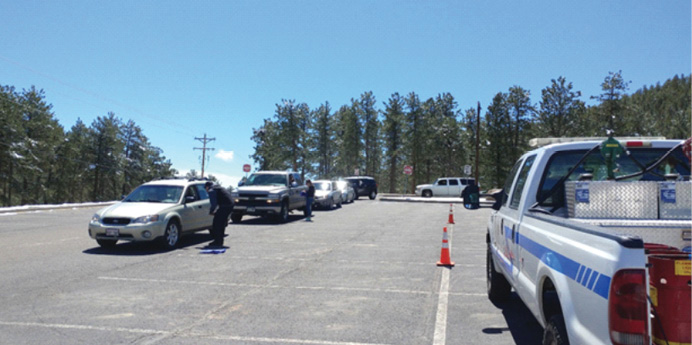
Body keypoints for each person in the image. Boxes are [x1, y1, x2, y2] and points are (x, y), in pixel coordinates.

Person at [205, 181, 234, 247]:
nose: (206, 190)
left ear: (207, 187)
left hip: (225, 206)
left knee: (216, 224)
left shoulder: (211, 190)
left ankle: (217, 241)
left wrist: (211, 211)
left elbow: (214, 203)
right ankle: (219, 241)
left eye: (205, 188)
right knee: (221, 223)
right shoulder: (219, 188)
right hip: (230, 205)